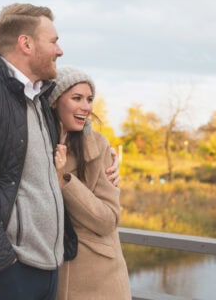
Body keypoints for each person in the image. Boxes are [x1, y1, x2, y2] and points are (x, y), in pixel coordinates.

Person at [0, 3, 119, 300]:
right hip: (1, 273)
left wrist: (108, 156)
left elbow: (73, 116)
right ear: (26, 43)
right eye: (54, 41)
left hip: (45, 272)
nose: (60, 50)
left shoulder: (42, 98)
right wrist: (2, 263)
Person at [51, 66, 131, 300]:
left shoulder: (98, 147)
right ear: (55, 101)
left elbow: (108, 220)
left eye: (89, 99)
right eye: (77, 98)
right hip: (48, 276)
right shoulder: (34, 144)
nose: (86, 106)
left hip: (101, 280)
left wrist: (65, 181)